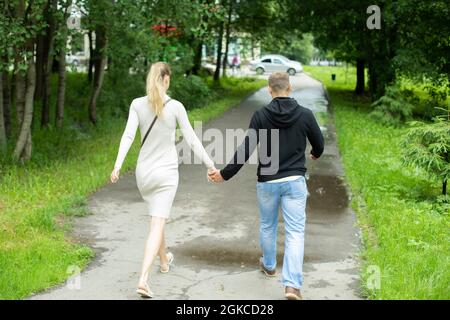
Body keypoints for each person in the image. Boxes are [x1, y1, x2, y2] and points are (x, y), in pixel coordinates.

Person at [209, 72, 324, 300]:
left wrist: (225, 174)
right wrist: (314, 153)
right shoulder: (305, 115)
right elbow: (319, 144)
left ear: (269, 90)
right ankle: (292, 286)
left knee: (268, 225)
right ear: (289, 88)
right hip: (294, 181)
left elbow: (246, 149)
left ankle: (269, 266)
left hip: (268, 181)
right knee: (295, 233)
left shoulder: (261, 115)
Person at [111, 62, 216, 298]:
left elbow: (128, 135)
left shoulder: (137, 104)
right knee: (157, 223)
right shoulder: (176, 107)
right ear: (167, 79)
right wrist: (210, 165)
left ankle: (165, 260)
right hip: (167, 173)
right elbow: (191, 139)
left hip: (144, 173)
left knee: (157, 217)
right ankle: (143, 280)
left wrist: (117, 166)